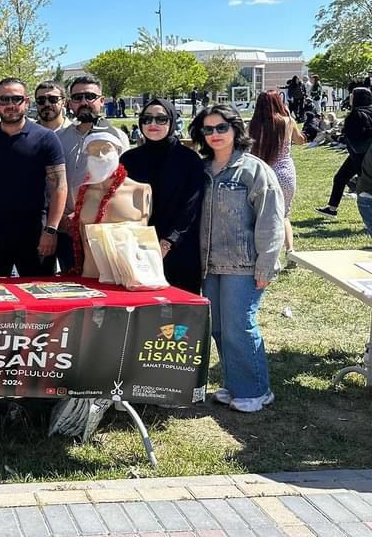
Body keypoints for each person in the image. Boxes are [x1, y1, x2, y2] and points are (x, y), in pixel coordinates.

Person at [189, 105, 284, 413]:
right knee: (218, 328)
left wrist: (267, 263)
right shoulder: (201, 170)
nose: (215, 134)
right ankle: (235, 385)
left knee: (239, 326)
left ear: (235, 130)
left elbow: (271, 219)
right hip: (209, 263)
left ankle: (257, 390)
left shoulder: (254, 170)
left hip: (243, 265)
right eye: (208, 129)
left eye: (221, 127)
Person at [0, 77, 66, 277]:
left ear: (27, 102)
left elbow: (59, 186)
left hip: (36, 234)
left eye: (16, 99)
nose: (10, 105)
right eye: (4, 100)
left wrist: (51, 230)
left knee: (39, 302)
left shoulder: (46, 138)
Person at [120, 99, 204, 294]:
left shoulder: (189, 159)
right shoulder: (129, 159)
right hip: (137, 249)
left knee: (179, 316)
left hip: (180, 248)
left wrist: (168, 241)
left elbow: (191, 206)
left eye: (161, 119)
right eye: (147, 119)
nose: (153, 124)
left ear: (172, 122)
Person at [56, 75, 129, 272]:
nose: (84, 102)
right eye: (77, 97)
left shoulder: (119, 138)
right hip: (67, 229)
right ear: (70, 103)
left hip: (105, 230)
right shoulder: (58, 139)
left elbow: (124, 184)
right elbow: (51, 183)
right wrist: (61, 217)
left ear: (102, 101)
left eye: (90, 96)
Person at [249, 91, 305, 252]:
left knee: (259, 214)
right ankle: (290, 250)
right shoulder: (287, 122)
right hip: (284, 171)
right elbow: (300, 140)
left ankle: (262, 250)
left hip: (262, 172)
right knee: (284, 214)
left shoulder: (253, 125)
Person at [317, 87, 372, 217]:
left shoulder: (355, 115)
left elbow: (355, 141)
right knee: (340, 177)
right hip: (365, 155)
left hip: (360, 156)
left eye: (353, 96)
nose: (351, 98)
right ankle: (332, 208)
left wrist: (341, 137)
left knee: (365, 189)